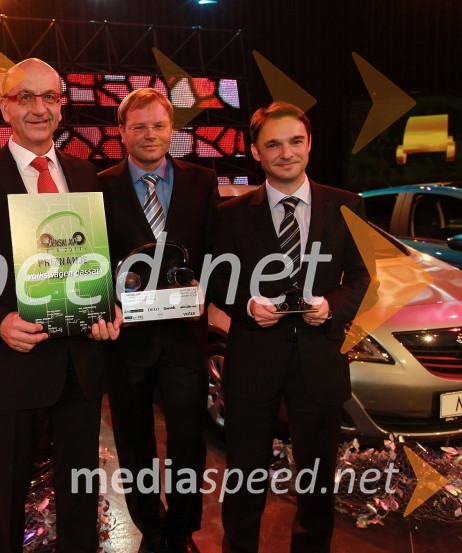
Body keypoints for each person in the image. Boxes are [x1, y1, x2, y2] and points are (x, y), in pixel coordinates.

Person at [0, 58, 121, 553]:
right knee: (9, 497)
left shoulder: (85, 173)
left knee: (80, 495)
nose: (40, 108)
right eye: (26, 97)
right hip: (11, 365)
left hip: (80, 365)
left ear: (61, 108)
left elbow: (100, 261)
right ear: (5, 109)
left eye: (51, 98)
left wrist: (111, 309)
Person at [210, 101, 371, 553]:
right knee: (243, 478)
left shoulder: (347, 206)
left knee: (317, 483)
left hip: (320, 361)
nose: (286, 153)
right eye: (273, 144)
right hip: (253, 362)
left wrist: (331, 307)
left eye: (295, 141)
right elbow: (218, 278)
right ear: (256, 152)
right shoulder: (232, 214)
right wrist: (247, 305)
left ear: (309, 144)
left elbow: (363, 278)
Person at [99, 88, 219, 553]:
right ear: (122, 132)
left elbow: (214, 249)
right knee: (134, 441)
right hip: (125, 339)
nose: (149, 134)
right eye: (139, 126)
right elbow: (94, 258)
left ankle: (182, 530)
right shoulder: (100, 184)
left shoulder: (201, 181)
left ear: (172, 130)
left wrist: (210, 285)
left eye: (158, 125)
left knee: (189, 438)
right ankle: (151, 526)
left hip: (186, 336)